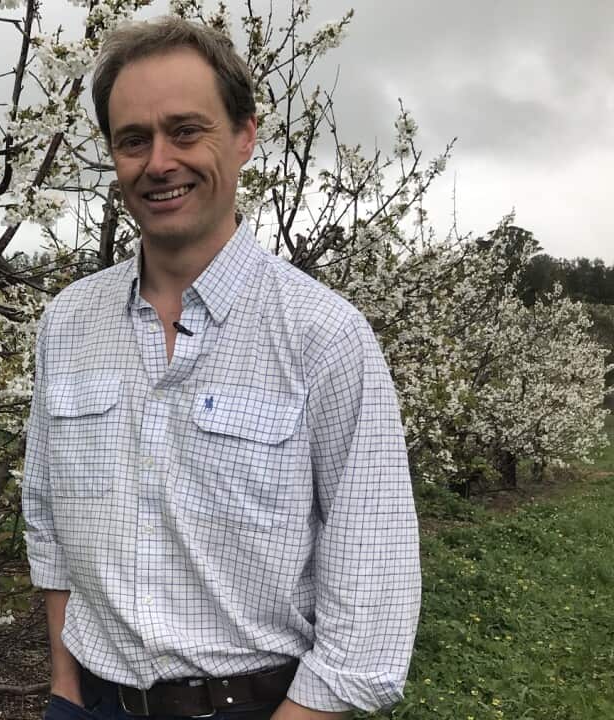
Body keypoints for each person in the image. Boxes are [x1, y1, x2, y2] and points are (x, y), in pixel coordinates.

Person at [22, 16, 421, 720]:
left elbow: (373, 589)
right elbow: (48, 521)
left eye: (186, 131)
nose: (159, 162)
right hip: (91, 701)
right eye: (133, 140)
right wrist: (64, 685)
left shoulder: (325, 337)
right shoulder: (68, 323)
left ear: (244, 136)